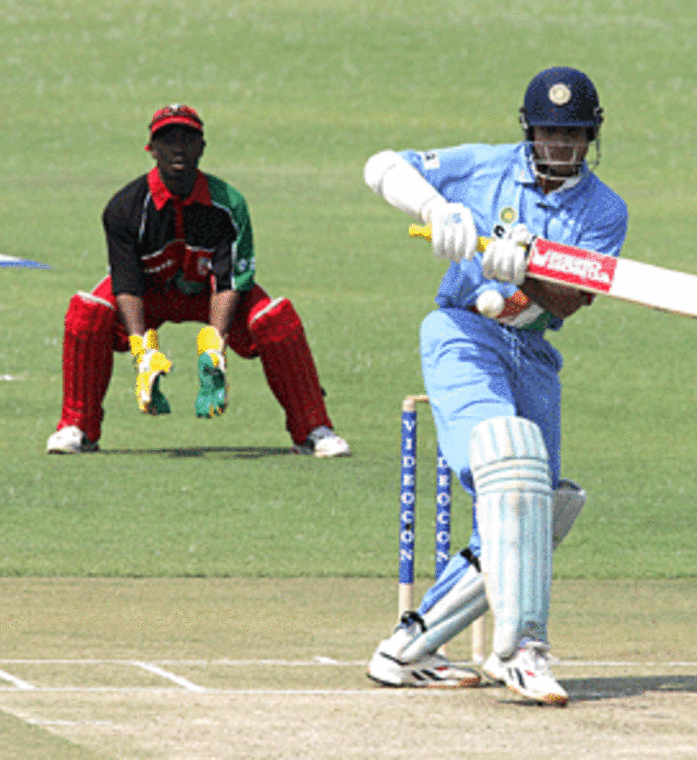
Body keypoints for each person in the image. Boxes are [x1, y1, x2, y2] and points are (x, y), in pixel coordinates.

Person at [361, 67, 626, 705]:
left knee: (542, 507)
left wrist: (529, 270)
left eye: (573, 135)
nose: (559, 145)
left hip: (531, 349)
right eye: (548, 132)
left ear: (590, 137)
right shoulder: (484, 168)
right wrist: (435, 206)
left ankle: (408, 649)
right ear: (528, 128)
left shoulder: (603, 210)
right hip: (462, 335)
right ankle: (522, 649)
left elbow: (575, 296)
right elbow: (380, 165)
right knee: (512, 463)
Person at [46, 104, 349, 458]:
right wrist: (142, 349)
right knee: (88, 312)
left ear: (202, 147)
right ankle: (78, 428)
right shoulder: (124, 207)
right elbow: (126, 284)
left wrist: (214, 346)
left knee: (275, 319)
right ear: (151, 149)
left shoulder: (229, 204)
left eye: (188, 139)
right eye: (168, 139)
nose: (178, 147)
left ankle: (313, 429)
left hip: (210, 296)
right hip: (149, 294)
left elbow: (230, 280)